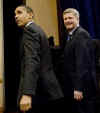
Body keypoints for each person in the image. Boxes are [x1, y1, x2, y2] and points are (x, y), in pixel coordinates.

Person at [14, 5, 63, 113]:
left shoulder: (30, 30)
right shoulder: (37, 29)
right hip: (46, 90)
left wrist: (27, 93)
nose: (16, 16)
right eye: (15, 14)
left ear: (30, 15)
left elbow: (31, 61)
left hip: (38, 91)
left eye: (19, 12)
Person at [63, 8, 97, 113]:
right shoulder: (71, 35)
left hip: (83, 87)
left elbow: (82, 64)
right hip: (76, 85)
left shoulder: (81, 35)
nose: (67, 21)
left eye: (70, 18)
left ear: (77, 19)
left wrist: (78, 88)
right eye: (65, 19)